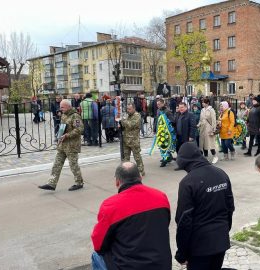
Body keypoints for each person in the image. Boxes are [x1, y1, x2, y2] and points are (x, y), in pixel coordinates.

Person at [91, 162, 171, 270]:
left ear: (117, 182)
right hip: (161, 264)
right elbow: (164, 224)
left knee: (96, 256)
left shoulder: (110, 205)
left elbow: (98, 245)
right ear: (140, 177)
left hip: (128, 266)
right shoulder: (161, 197)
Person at [175, 142, 235, 270]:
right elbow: (230, 208)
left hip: (199, 247)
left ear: (185, 162)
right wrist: (223, 232)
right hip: (221, 240)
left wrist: (181, 253)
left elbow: (183, 221)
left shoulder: (187, 183)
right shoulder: (221, 174)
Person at [39, 100, 84, 191]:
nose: (60, 109)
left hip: (72, 145)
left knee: (73, 165)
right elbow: (62, 128)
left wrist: (67, 135)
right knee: (57, 164)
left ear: (68, 107)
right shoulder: (64, 115)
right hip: (63, 145)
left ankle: (79, 182)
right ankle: (51, 183)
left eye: (62, 107)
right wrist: (59, 136)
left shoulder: (75, 116)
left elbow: (79, 129)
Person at [120, 103, 145, 176]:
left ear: (134, 109)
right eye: (127, 109)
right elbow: (124, 124)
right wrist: (123, 121)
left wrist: (123, 121)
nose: (128, 110)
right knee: (126, 157)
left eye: (129, 109)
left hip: (134, 140)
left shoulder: (137, 116)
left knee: (137, 156)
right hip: (126, 140)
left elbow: (130, 125)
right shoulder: (127, 116)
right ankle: (125, 171)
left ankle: (141, 170)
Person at [155, 98, 176, 167]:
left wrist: (166, 124)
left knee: (166, 144)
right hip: (160, 130)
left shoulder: (167, 111)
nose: (158, 105)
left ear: (163, 103)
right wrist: (155, 128)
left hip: (166, 132)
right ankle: (168, 157)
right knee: (161, 144)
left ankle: (165, 159)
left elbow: (172, 120)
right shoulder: (158, 110)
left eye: (159, 104)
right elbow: (157, 120)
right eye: (157, 104)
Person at [198, 98, 218, 164]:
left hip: (209, 129)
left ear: (207, 103)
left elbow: (214, 120)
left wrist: (213, 129)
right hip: (202, 129)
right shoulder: (202, 110)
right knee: (203, 144)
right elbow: (201, 120)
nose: (202, 103)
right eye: (202, 102)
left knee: (210, 144)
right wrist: (198, 125)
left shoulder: (211, 110)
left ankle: (215, 156)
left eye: (203, 102)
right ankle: (206, 157)